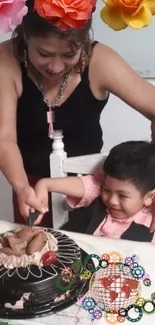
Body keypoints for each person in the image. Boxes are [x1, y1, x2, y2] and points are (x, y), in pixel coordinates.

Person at [1, 1, 155, 230]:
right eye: (44, 53)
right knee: (33, 256)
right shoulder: (6, 59)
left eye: (69, 55)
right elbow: (4, 138)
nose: (55, 67)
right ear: (24, 38)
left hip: (95, 187)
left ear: (84, 43)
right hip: (31, 187)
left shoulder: (100, 61)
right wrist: (22, 187)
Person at [35, 141, 155, 243]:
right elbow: (86, 185)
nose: (112, 201)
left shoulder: (150, 218)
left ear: (149, 196)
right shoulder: (98, 189)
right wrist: (44, 184)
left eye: (122, 196)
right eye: (107, 190)